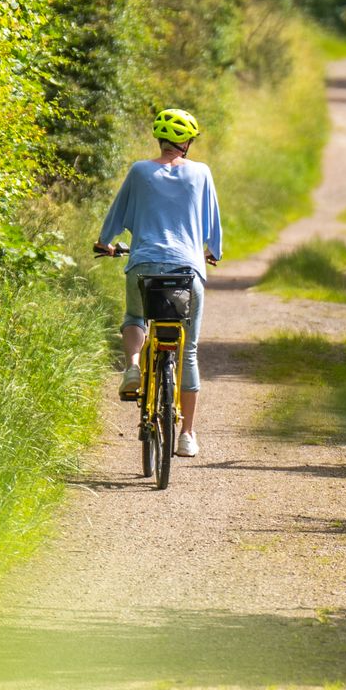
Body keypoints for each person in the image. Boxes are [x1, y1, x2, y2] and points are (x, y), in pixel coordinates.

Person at [93, 107, 222, 458]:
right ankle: (187, 436)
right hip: (187, 270)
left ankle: (133, 368)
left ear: (160, 139)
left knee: (136, 318)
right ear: (188, 142)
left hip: (144, 264)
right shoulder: (202, 173)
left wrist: (106, 242)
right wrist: (213, 251)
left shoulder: (139, 170)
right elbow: (212, 220)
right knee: (189, 349)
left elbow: (117, 213)